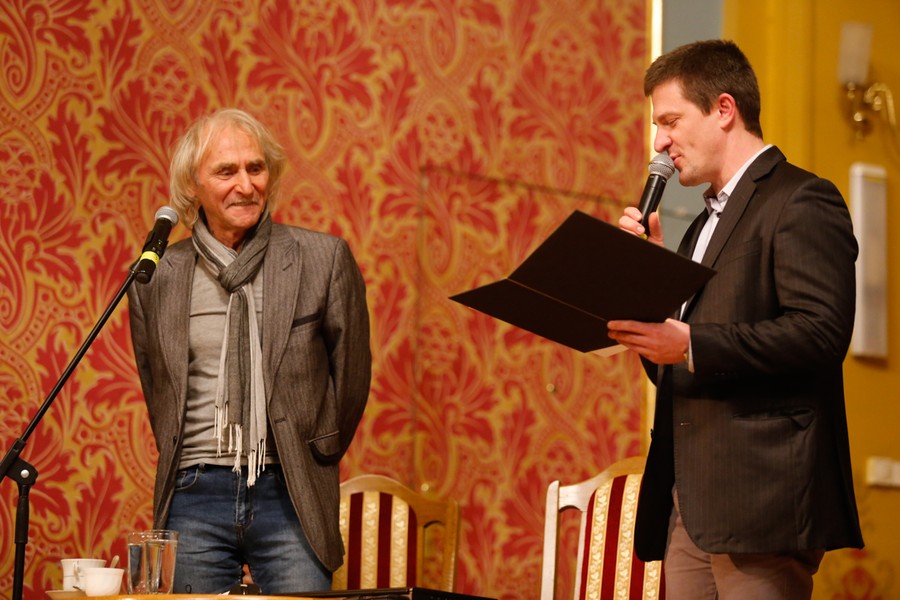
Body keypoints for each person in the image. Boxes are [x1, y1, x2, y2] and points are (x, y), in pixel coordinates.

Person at [607, 40, 863, 599]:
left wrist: (690, 343)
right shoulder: (701, 227)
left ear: (724, 109)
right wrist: (649, 293)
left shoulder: (801, 199)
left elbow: (820, 332)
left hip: (762, 500)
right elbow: (676, 366)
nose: (659, 143)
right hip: (690, 504)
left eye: (670, 121)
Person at [127, 108, 371, 594]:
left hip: (292, 493)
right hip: (193, 495)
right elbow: (159, 387)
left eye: (255, 168)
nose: (246, 184)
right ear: (192, 185)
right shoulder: (158, 275)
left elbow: (351, 378)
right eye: (226, 171)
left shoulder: (322, 259)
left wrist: (316, 453)